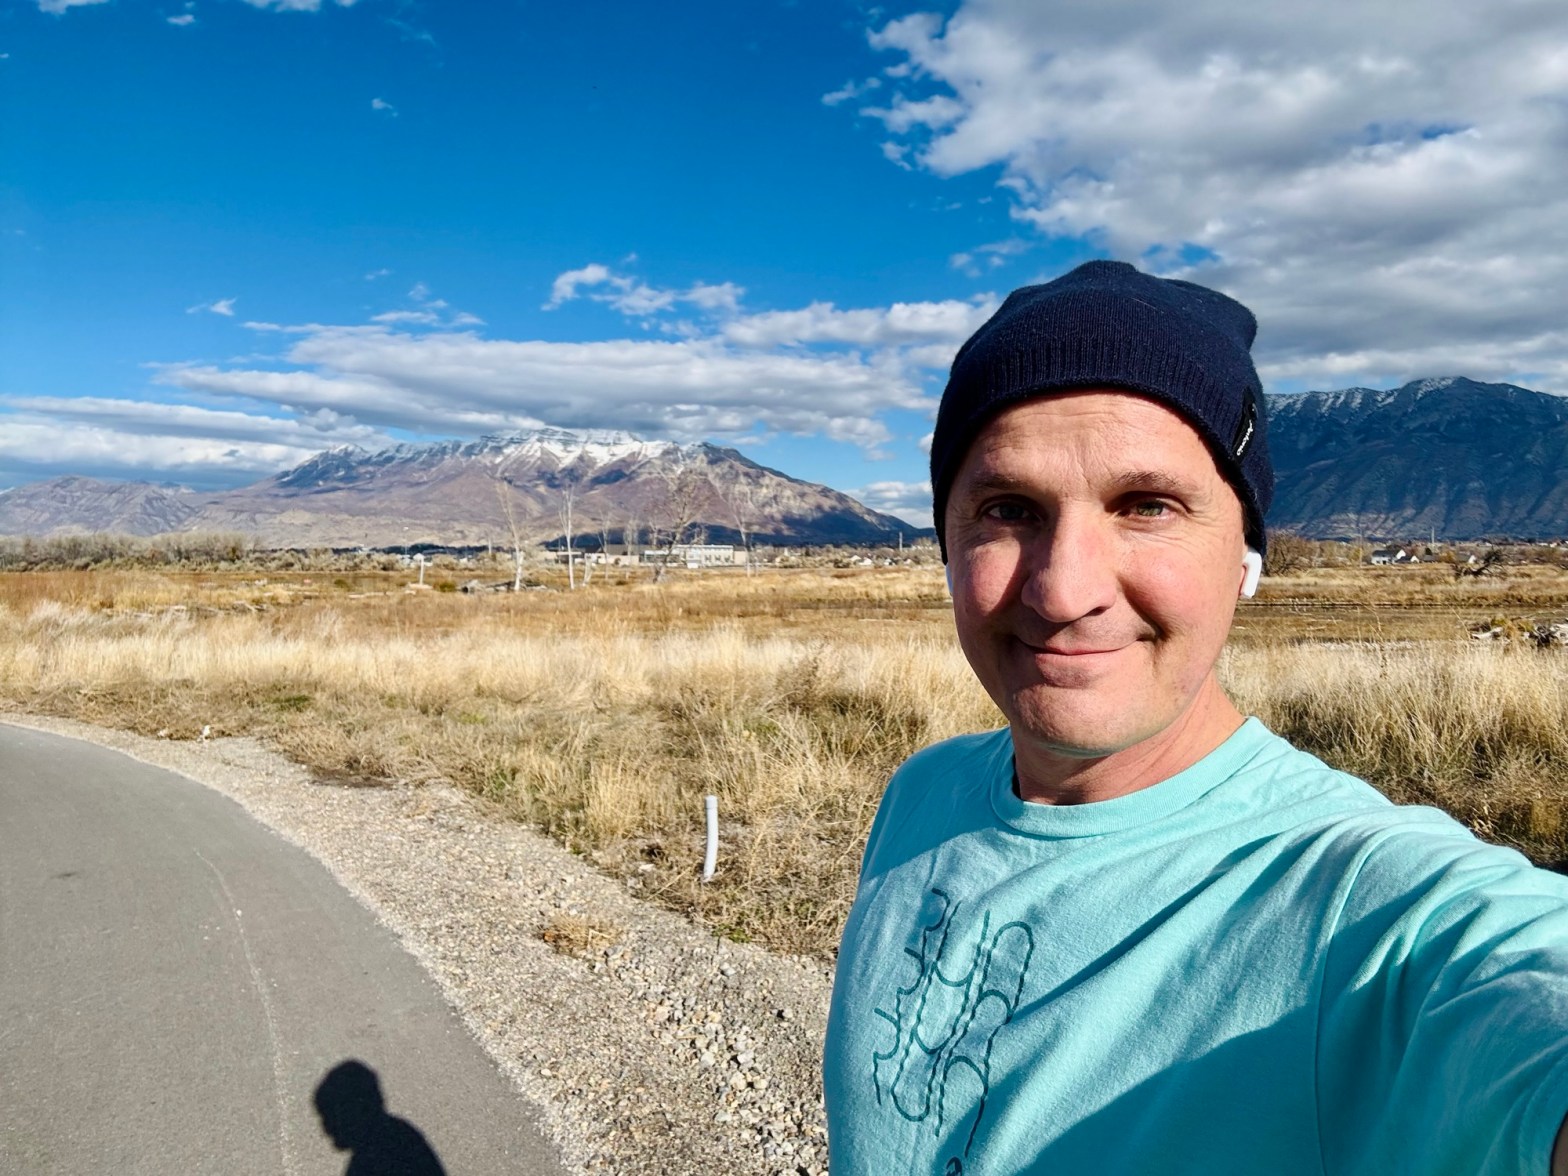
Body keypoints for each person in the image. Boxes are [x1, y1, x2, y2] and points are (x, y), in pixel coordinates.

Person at [823, 260, 1568, 1175]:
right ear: (948, 542)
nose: (1064, 591)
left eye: (1148, 506)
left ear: (1246, 556)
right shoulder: (922, 795)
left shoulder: (1356, 904)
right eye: (1009, 509)